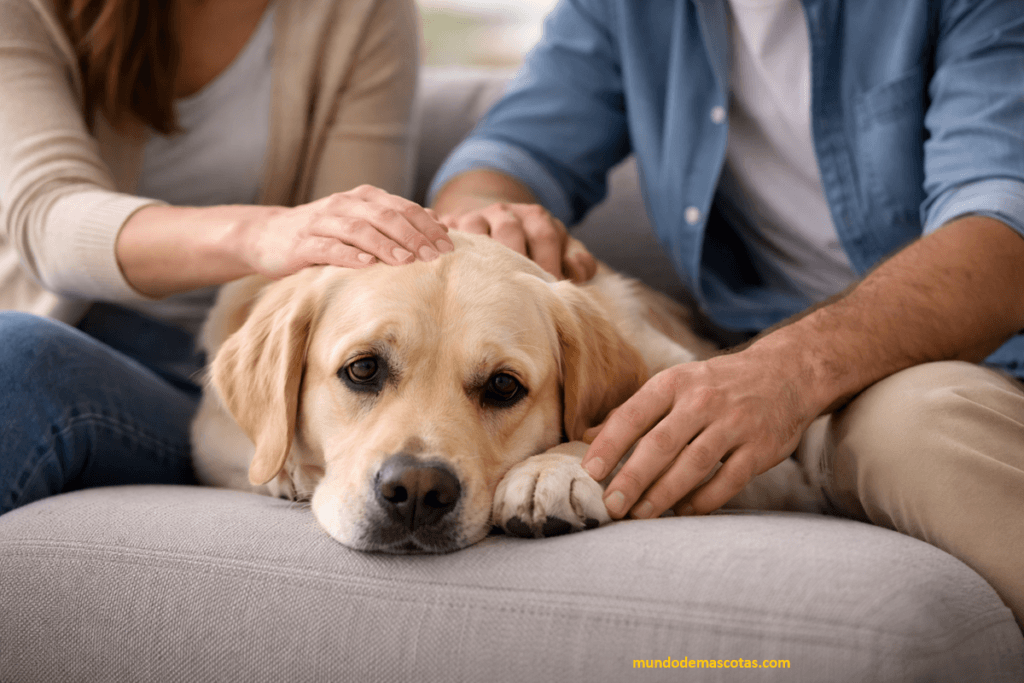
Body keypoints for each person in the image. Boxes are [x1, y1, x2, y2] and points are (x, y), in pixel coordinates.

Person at [429, 0, 1024, 623]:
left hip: (961, 356)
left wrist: (785, 375)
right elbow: (504, 158)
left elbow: (1001, 245)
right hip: (743, 355)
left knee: (916, 425)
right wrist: (490, 216)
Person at [0, 0, 452, 514]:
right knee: (17, 352)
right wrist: (262, 233)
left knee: (14, 358)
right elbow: (46, 216)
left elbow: (354, 259)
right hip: (71, 338)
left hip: (234, 370)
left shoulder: (364, 12)